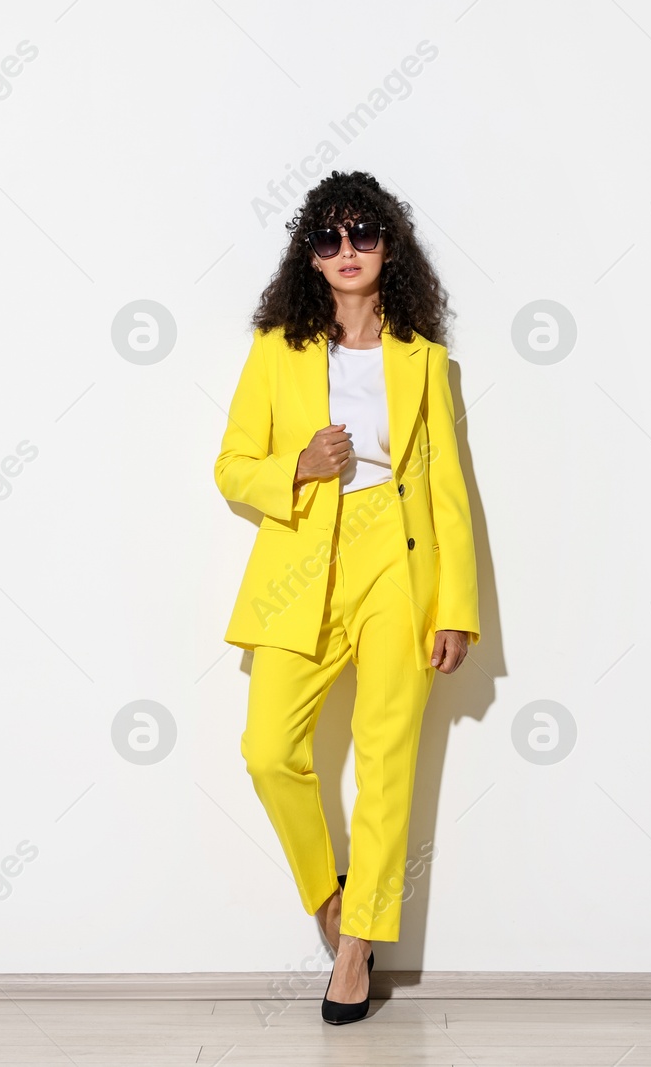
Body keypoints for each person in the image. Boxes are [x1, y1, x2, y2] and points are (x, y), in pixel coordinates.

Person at [212, 170, 481, 1024]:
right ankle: (331, 898)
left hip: (397, 567)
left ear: (388, 245)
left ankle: (358, 948)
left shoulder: (424, 360)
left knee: (387, 758)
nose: (346, 250)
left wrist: (455, 607)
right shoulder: (278, 349)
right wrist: (298, 465)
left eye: (362, 231)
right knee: (266, 750)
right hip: (303, 556)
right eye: (327, 238)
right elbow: (230, 465)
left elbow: (448, 491)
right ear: (311, 256)